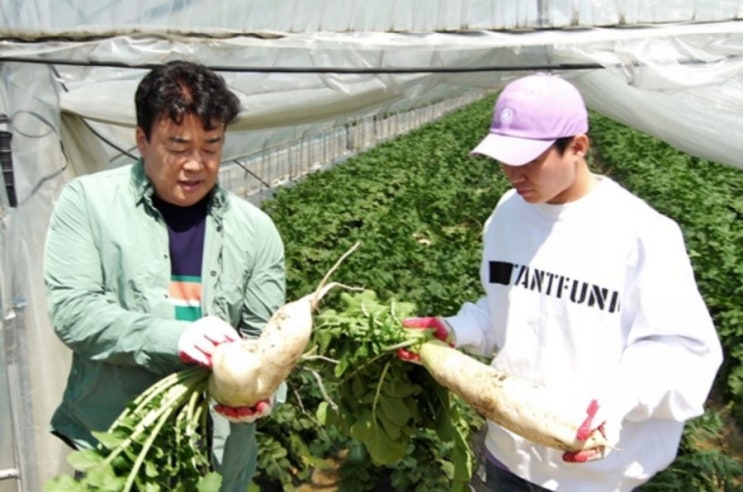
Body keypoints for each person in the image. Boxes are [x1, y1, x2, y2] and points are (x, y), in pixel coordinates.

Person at [399, 73, 723, 491]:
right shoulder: (508, 215)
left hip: (595, 473)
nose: (512, 173)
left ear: (578, 147)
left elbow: (680, 352)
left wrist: (616, 403)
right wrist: (456, 329)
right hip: (508, 452)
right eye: (504, 157)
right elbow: (509, 307)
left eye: (530, 159)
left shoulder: (642, 233)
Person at [44, 60, 286, 491]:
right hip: (120, 447)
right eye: (177, 146)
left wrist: (261, 392)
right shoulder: (88, 203)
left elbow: (265, 340)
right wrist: (172, 337)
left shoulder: (255, 230)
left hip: (220, 455)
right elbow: (74, 312)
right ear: (142, 140)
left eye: (211, 146)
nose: (196, 164)